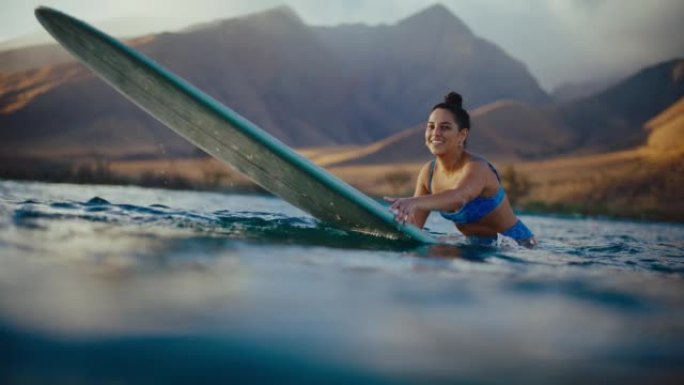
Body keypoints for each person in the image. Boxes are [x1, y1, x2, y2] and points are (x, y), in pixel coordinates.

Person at [384, 92, 537, 248]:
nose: (435, 133)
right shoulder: (428, 174)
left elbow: (459, 196)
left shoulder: (477, 168)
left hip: (517, 247)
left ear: (462, 135)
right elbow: (415, 227)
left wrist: (413, 202)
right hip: (474, 248)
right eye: (431, 126)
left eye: (444, 128)